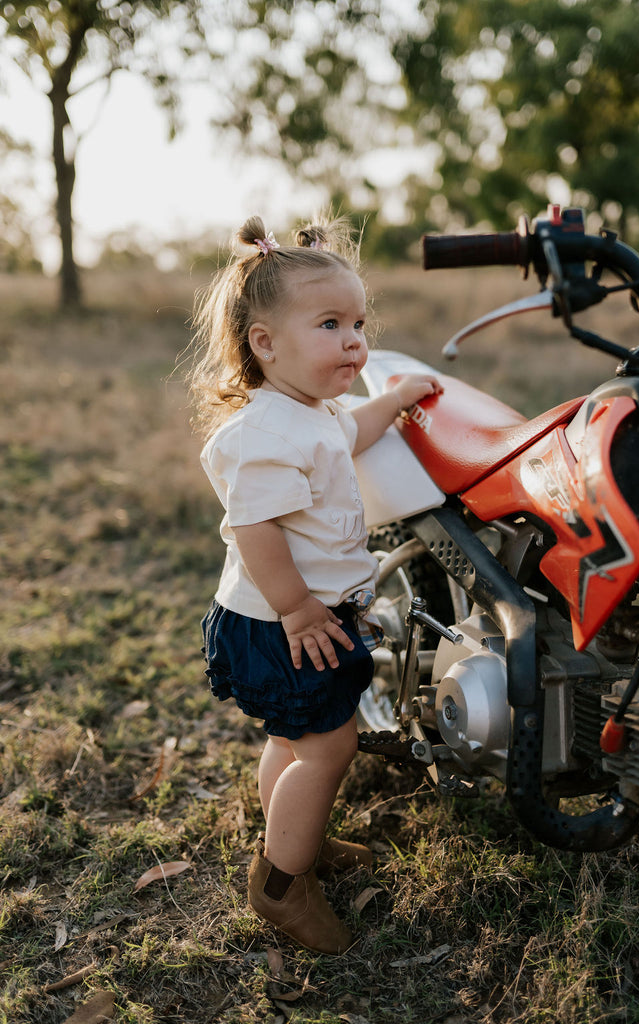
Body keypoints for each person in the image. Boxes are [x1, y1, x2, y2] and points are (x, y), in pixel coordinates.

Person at [190, 214, 441, 954]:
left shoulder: (309, 412)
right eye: (330, 323)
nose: (354, 340)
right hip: (280, 622)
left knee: (295, 739)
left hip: (288, 618)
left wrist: (390, 404)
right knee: (329, 748)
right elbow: (254, 532)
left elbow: (344, 436)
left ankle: (292, 837)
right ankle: (280, 884)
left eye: (358, 322)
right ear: (265, 343)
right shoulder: (264, 436)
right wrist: (298, 608)